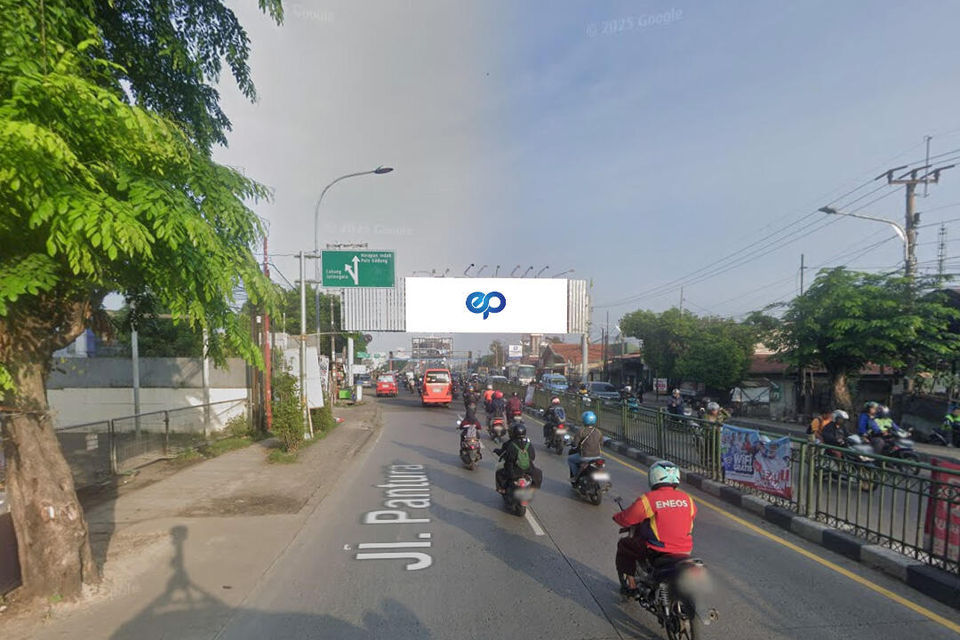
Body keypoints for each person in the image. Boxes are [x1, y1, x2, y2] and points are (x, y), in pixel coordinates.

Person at [613, 460, 696, 596]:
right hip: (686, 550)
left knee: (624, 545)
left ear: (654, 477)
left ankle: (632, 587)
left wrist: (617, 517)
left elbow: (628, 518)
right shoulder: (688, 499)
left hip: (658, 550)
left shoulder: (649, 499)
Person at [494, 421, 542, 493]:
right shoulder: (528, 443)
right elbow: (533, 457)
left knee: (499, 473)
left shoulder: (509, 444)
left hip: (513, 472)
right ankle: (533, 488)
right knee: (539, 472)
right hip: (528, 470)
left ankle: (502, 489)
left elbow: (504, 455)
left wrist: (496, 450)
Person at [568, 410, 603, 482]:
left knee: (570, 459)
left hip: (585, 456)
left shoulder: (581, 431)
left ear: (584, 420)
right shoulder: (598, 432)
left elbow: (575, 444)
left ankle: (575, 477)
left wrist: (573, 445)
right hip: (598, 456)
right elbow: (601, 443)